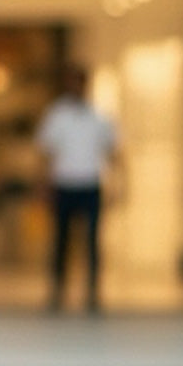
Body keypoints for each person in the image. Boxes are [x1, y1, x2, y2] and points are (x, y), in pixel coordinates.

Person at [35, 65, 118, 312]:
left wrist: (118, 184)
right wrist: (42, 185)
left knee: (92, 242)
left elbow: (113, 152)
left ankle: (93, 292)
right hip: (63, 184)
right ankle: (57, 291)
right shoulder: (57, 115)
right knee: (60, 241)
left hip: (91, 184)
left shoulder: (99, 117)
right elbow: (45, 153)